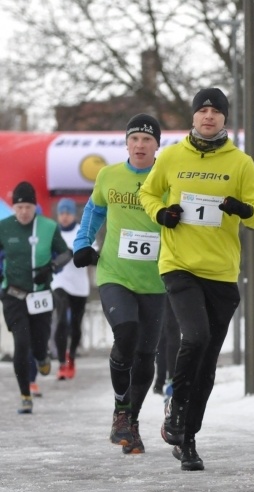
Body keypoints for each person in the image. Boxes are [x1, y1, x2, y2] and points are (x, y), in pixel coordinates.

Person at [139, 88, 254, 471]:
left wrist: (243, 208)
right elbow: (148, 194)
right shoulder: (172, 156)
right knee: (194, 337)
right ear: (193, 117)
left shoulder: (241, 163)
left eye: (216, 111)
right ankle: (176, 409)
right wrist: (162, 213)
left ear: (225, 119)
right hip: (179, 264)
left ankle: (189, 439)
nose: (209, 116)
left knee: (208, 364)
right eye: (203, 110)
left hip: (221, 273)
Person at [73, 114, 167, 454]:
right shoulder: (109, 175)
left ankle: (132, 421)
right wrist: (82, 243)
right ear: (126, 143)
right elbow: (93, 213)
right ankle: (120, 411)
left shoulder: (167, 178)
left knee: (145, 357)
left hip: (156, 280)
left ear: (158, 145)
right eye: (134, 139)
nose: (140, 145)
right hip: (115, 273)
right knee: (125, 334)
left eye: (147, 139)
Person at [0, 182, 71, 414]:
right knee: (21, 344)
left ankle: (42, 357)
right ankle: (25, 395)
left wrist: (51, 266)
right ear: (14, 207)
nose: (23, 212)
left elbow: (65, 252)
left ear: (35, 207)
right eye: (19, 207)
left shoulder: (48, 227)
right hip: (13, 295)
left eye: (28, 207)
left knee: (40, 344)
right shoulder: (4, 227)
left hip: (40, 293)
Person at [50, 198, 89, 380]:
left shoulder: (83, 230)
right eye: (61, 213)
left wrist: (76, 253)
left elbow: (92, 252)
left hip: (79, 285)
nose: (64, 217)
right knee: (61, 321)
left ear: (73, 214)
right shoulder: (52, 232)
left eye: (68, 213)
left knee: (75, 326)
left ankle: (71, 357)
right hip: (59, 281)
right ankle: (60, 362)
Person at [153, 297, 179, 398]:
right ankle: (171, 380)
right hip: (171, 288)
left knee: (163, 337)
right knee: (172, 336)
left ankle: (160, 381)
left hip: (159, 290)